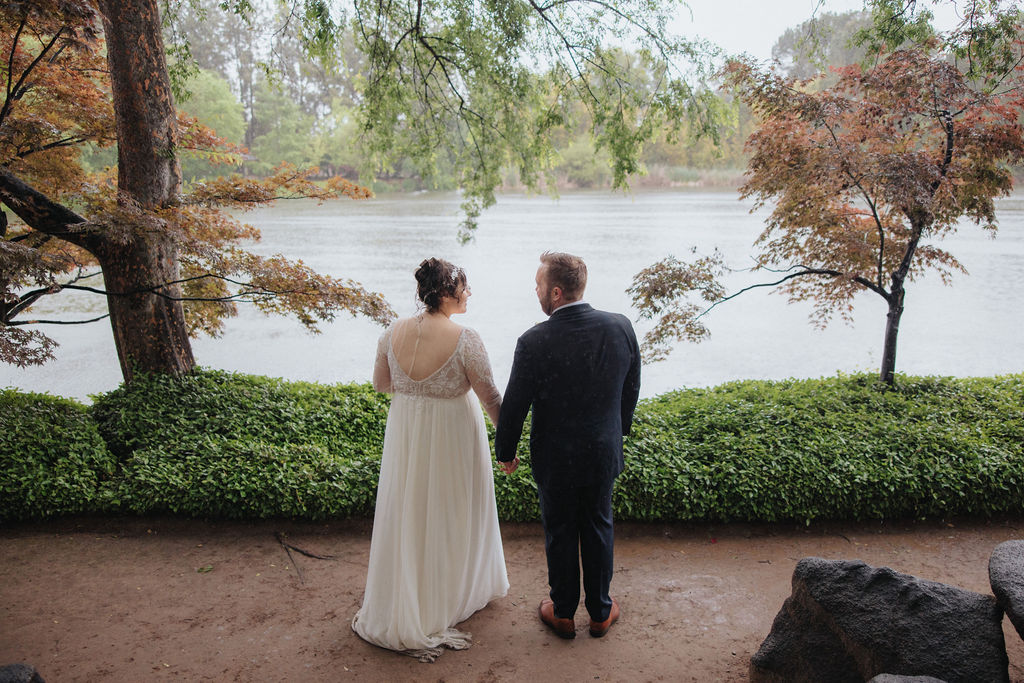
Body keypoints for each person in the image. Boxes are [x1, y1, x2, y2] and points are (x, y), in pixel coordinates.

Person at [352, 258, 509, 662]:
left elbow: (381, 383)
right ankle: (450, 593)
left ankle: (411, 593)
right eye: (465, 288)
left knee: (409, 511)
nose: (469, 294)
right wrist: (508, 442)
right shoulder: (466, 338)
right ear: (446, 292)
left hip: (407, 433)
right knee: (453, 510)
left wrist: (415, 392)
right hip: (454, 435)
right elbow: (490, 396)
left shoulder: (392, 332)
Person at [495, 251, 641, 640]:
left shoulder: (533, 340)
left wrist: (505, 451)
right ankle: (600, 612)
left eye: (539, 285)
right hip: (601, 451)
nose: (536, 291)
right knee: (598, 525)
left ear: (556, 292)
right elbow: (632, 386)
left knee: (559, 530)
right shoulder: (620, 326)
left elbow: (515, 405)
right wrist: (616, 431)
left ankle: (562, 613)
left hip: (556, 456)